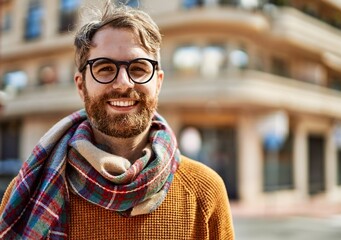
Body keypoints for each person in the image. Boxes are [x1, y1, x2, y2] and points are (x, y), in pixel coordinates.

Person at [0, 2, 234, 239]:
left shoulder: (204, 191)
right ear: (81, 86)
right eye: (105, 68)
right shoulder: (27, 192)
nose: (123, 83)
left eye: (139, 68)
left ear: (158, 83)